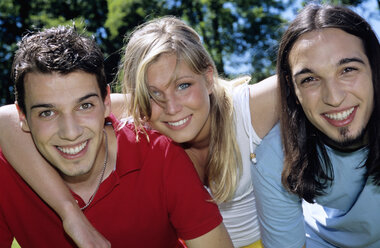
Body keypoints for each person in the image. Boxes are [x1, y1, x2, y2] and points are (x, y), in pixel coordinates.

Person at [0, 18, 278, 248]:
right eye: (153, 93)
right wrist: (70, 213)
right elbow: (5, 118)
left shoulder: (247, 110)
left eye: (183, 85)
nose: (171, 107)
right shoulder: (140, 116)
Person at [251, 3, 380, 248]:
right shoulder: (273, 157)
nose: (333, 97)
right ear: (292, 88)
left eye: (348, 70)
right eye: (310, 79)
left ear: (374, 68)